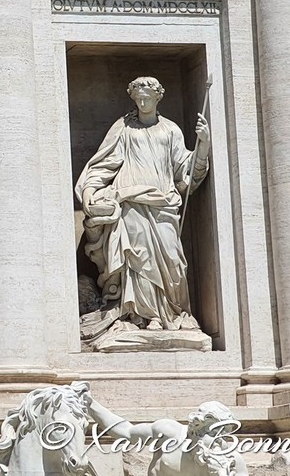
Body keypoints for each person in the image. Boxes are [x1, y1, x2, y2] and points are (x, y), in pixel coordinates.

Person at [76, 77, 209, 335]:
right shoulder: (123, 128)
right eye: (138, 98)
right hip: (131, 203)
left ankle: (171, 313)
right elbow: (103, 165)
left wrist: (202, 146)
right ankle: (144, 317)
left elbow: (186, 172)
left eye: (147, 97)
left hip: (163, 203)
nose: (143, 101)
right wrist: (90, 190)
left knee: (173, 261)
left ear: (158, 97)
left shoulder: (170, 130)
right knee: (138, 261)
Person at [85, 398, 244, 476]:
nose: (218, 440)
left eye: (221, 434)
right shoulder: (168, 433)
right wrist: (90, 404)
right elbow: (125, 432)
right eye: (212, 432)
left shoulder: (231, 460)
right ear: (196, 427)